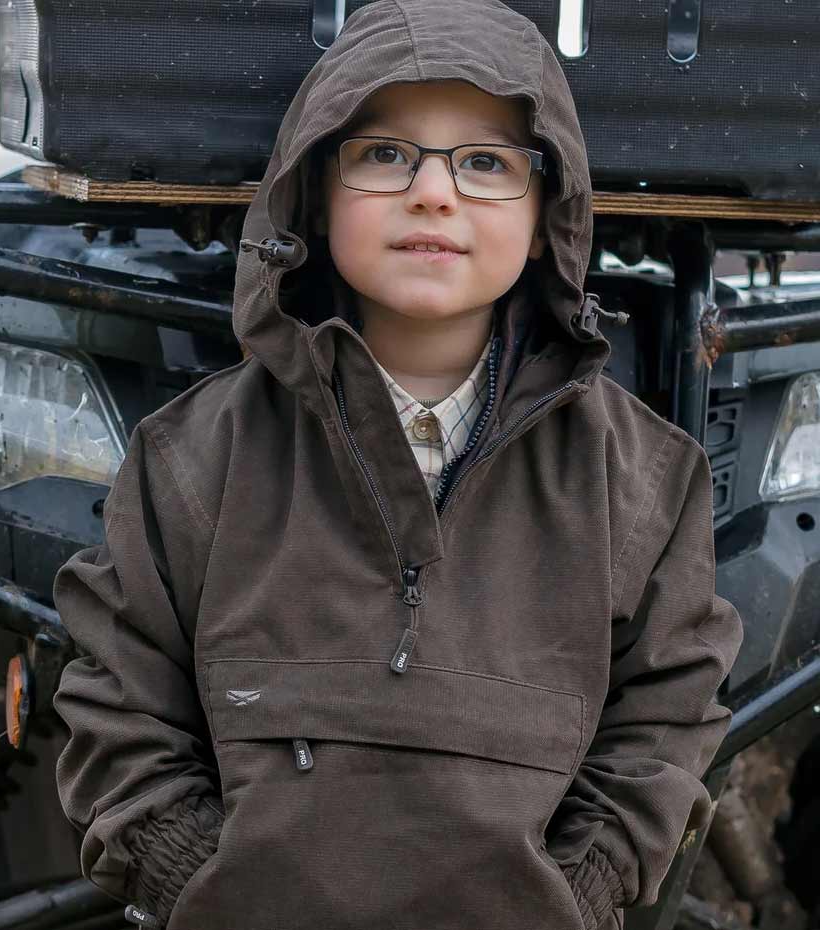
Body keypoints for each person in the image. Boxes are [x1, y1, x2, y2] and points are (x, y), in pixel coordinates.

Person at [51, 1, 744, 929]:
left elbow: (666, 723)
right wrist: (199, 885)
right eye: (383, 155)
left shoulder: (645, 477)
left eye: (488, 162)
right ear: (313, 195)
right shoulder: (194, 454)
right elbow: (116, 700)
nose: (434, 193)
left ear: (548, 220)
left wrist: (580, 896)